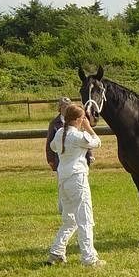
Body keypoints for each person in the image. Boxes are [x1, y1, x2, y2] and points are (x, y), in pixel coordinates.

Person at [47, 104, 105, 267]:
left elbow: (53, 146)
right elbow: (97, 142)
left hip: (63, 179)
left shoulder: (60, 133)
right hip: (77, 179)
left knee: (70, 219)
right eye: (82, 119)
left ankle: (57, 252)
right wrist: (88, 127)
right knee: (85, 218)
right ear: (79, 119)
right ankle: (89, 258)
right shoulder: (77, 136)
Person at [46, 97, 94, 213]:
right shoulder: (55, 123)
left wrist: (90, 154)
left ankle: (81, 205)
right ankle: (63, 207)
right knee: (63, 184)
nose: (66, 108)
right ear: (60, 108)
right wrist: (50, 159)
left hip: (77, 159)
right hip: (62, 159)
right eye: (64, 106)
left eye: (68, 106)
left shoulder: (77, 121)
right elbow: (50, 143)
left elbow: (84, 140)